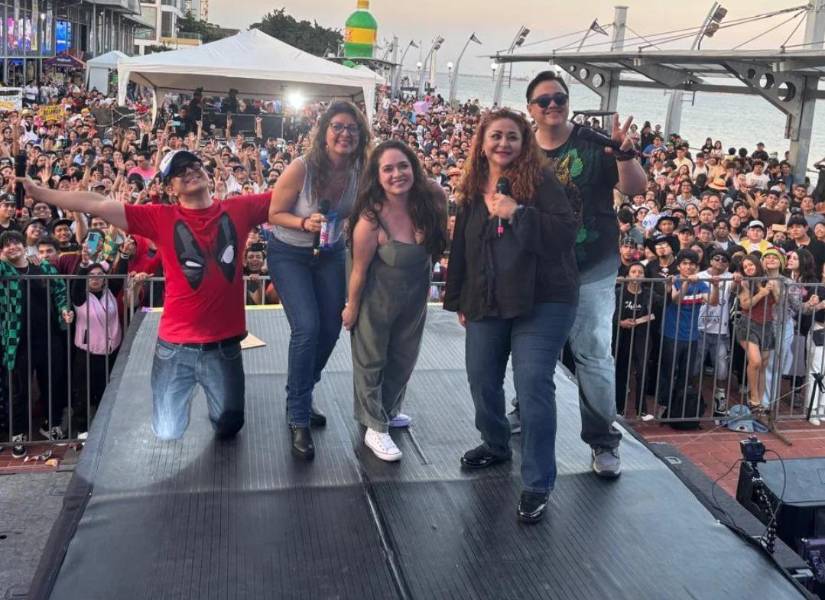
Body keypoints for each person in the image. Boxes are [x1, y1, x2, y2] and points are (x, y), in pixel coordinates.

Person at [19, 149, 273, 441]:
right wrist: (40, 191)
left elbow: (289, 194)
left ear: (207, 172)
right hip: (176, 346)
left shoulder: (239, 208)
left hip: (224, 345)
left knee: (230, 425)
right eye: (179, 172)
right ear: (169, 187)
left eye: (194, 165)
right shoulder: (160, 217)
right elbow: (98, 202)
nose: (189, 171)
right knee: (167, 431)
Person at [444, 109, 579, 523]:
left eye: (513, 138)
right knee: (481, 377)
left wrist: (517, 213)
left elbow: (565, 232)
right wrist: (462, 299)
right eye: (496, 136)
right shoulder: (470, 187)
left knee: (533, 383)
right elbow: (464, 249)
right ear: (482, 142)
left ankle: (537, 482)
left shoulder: (541, 183)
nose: (504, 144)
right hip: (488, 299)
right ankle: (496, 442)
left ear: (525, 144)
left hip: (544, 301)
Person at [518, 70, 647, 478]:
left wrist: (626, 155)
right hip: (538, 267)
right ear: (530, 110)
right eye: (544, 101)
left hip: (591, 266)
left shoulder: (593, 143)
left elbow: (636, 189)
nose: (553, 105)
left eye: (559, 98)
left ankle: (603, 440)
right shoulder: (521, 151)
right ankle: (525, 410)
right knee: (533, 350)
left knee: (592, 353)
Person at [267, 101, 370, 460]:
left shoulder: (361, 171)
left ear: (361, 135)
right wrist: (303, 222)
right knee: (307, 328)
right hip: (289, 253)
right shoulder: (302, 169)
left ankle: (302, 390)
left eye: (352, 128)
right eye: (338, 126)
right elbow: (273, 213)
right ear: (325, 131)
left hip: (329, 253)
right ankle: (298, 415)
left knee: (330, 328)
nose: (345, 134)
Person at [344, 141, 447, 461]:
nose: (397, 174)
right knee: (371, 360)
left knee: (404, 359)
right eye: (387, 169)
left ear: (413, 166)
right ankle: (375, 425)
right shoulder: (370, 219)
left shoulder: (432, 199)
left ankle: (386, 410)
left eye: (402, 166)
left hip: (413, 300)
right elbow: (358, 271)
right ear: (377, 176)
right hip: (377, 300)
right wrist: (352, 307)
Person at [0, 230, 74, 455]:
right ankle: (18, 434)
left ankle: (51, 425)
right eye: (7, 245)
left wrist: (64, 311)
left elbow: (60, 292)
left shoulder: (44, 267)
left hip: (48, 337)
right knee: (19, 391)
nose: (12, 247)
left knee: (53, 383)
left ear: (24, 245)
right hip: (18, 340)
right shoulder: (4, 270)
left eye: (16, 243)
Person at [657, 250, 720, 417]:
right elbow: (676, 300)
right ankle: (663, 405)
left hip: (692, 336)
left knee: (686, 374)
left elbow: (713, 302)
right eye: (685, 263)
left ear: (697, 266)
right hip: (671, 334)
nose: (689, 267)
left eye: (692, 264)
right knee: (668, 372)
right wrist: (685, 283)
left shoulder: (701, 284)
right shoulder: (673, 280)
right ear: (678, 266)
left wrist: (715, 286)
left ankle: (679, 407)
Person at [614, 262, 659, 418]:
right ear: (627, 276)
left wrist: (669, 286)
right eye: (633, 272)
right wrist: (620, 322)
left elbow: (660, 307)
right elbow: (609, 312)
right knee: (621, 372)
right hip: (622, 337)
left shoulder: (649, 293)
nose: (637, 275)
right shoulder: (619, 292)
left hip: (642, 336)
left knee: (642, 372)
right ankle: (618, 409)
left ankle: (642, 410)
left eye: (640, 272)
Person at [733, 255, 778, 411]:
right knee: (756, 361)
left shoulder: (768, 280)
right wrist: (761, 293)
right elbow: (745, 305)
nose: (749, 268)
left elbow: (778, 300)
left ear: (758, 265)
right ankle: (753, 399)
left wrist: (773, 283)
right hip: (748, 325)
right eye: (745, 267)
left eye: (751, 265)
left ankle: (760, 401)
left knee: (763, 365)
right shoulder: (744, 282)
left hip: (767, 325)